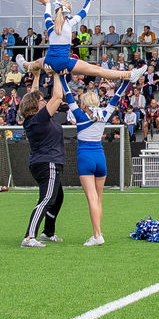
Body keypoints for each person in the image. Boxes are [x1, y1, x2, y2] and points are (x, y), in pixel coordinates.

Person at [58, 74, 128, 246]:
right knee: (99, 198)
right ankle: (98, 232)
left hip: (86, 158)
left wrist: (61, 77)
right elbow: (117, 97)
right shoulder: (104, 113)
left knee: (91, 199)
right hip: (100, 157)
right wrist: (127, 81)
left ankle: (97, 235)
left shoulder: (80, 116)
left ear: (84, 104)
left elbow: (67, 95)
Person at [16, 0, 146, 86]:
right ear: (68, 12)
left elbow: (46, 15)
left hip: (50, 60)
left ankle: (24, 65)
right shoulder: (69, 23)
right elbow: (84, 12)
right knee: (98, 70)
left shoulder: (50, 25)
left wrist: (48, 4)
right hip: (63, 61)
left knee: (38, 62)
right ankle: (130, 75)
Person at [19, 73, 66, 247]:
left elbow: (34, 95)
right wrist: (56, 73)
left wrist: (37, 74)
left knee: (57, 198)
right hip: (48, 162)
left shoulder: (35, 119)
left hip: (45, 162)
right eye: (41, 100)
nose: (45, 101)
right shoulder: (39, 119)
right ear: (35, 105)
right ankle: (30, 237)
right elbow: (58, 96)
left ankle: (48, 232)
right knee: (47, 199)